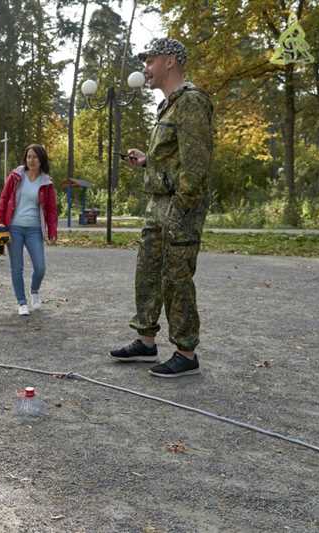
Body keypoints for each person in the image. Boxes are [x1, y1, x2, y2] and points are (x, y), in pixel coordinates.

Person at [110, 38, 214, 378]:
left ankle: (186, 352)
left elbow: (195, 167)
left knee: (176, 279)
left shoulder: (192, 102)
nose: (145, 68)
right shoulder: (168, 106)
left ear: (170, 61)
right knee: (148, 273)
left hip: (178, 211)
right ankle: (146, 340)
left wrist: (181, 211)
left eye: (150, 61)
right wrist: (146, 161)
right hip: (158, 207)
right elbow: (172, 158)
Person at [0, 144, 58, 316]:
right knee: (17, 267)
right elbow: (4, 199)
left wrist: (52, 231)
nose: (31, 160)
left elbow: (51, 210)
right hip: (14, 228)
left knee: (40, 267)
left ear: (41, 159)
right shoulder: (15, 177)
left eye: (35, 157)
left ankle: (34, 291)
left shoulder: (46, 182)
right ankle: (21, 302)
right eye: (29, 156)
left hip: (34, 229)